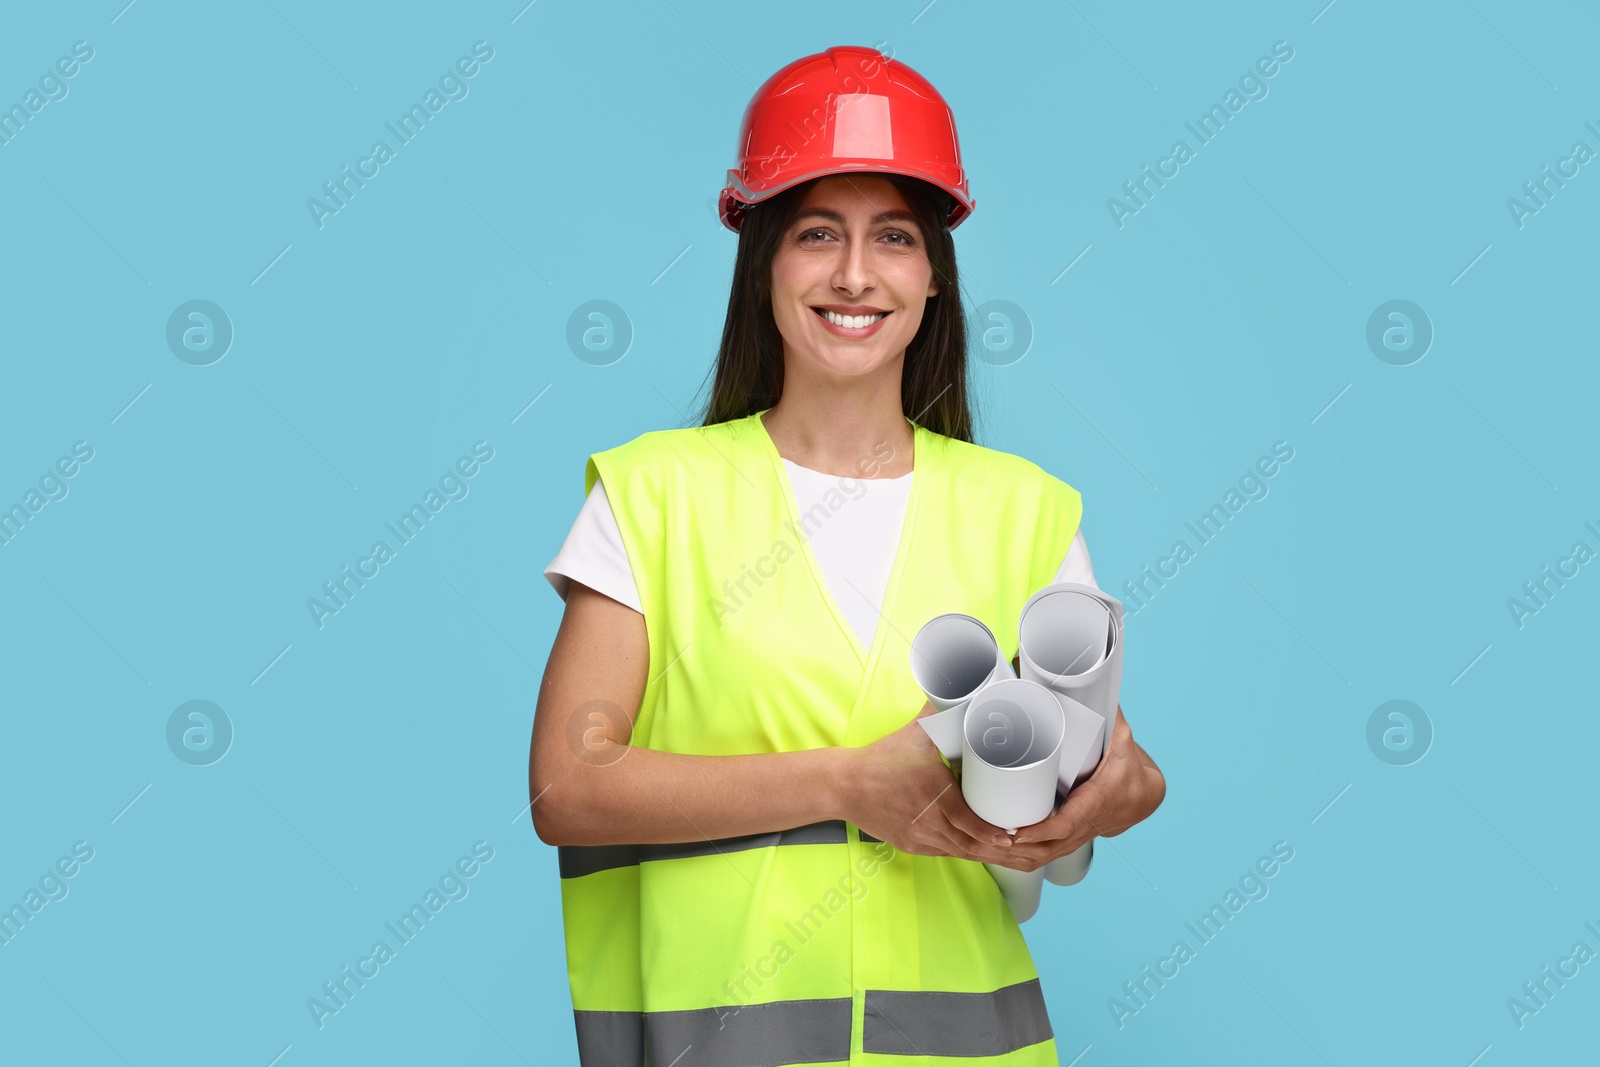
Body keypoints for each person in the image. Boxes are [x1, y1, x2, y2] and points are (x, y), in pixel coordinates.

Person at [530, 45, 1166, 1066]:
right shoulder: (653, 497)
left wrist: (1125, 790)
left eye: (894, 238)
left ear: (932, 280)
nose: (856, 274)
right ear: (764, 263)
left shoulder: (1022, 510)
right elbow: (568, 786)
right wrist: (844, 782)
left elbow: (1113, 759)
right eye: (817, 233)